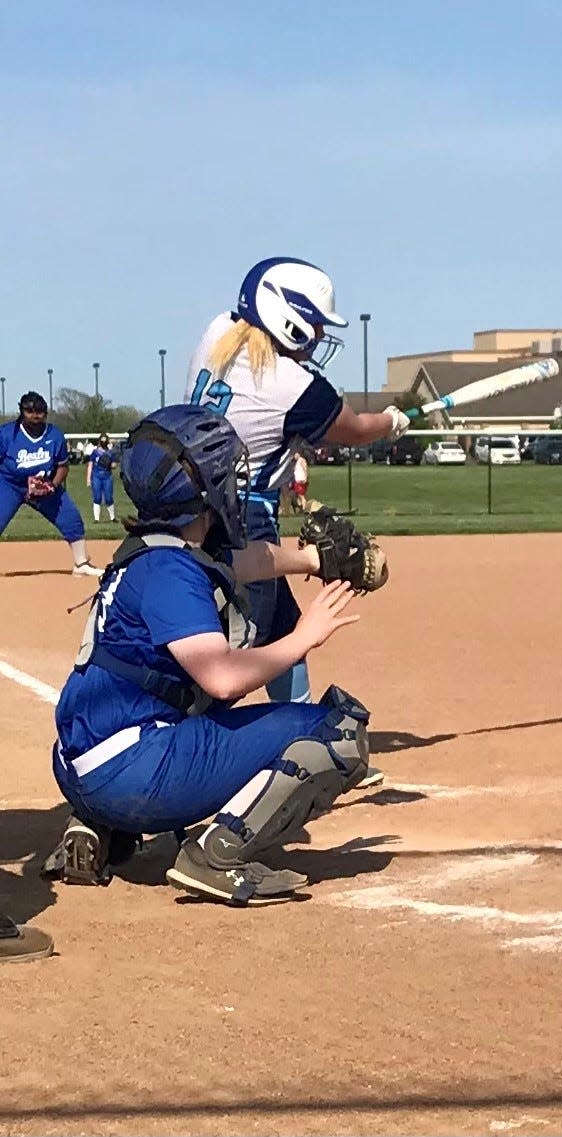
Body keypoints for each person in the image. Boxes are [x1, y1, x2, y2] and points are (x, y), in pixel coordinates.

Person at [50, 404, 371, 906]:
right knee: (337, 733)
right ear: (199, 490)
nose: (233, 483)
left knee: (185, 695)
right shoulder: (171, 573)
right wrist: (303, 636)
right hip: (130, 769)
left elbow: (237, 564)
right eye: (223, 472)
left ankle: (99, 826)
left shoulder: (150, 550)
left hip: (84, 763)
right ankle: (216, 856)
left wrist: (315, 559)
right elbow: (222, 677)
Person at [185, 258, 409, 785]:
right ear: (288, 319)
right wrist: (391, 422)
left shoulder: (219, 330)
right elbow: (351, 429)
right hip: (244, 518)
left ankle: (306, 736)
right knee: (238, 648)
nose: (319, 337)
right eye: (316, 325)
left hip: (196, 503)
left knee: (283, 625)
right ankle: (200, 753)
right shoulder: (292, 383)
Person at [0, 392, 103, 575]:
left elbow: (63, 467)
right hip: (11, 485)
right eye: (30, 411)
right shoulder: (7, 434)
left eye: (40, 411)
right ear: (22, 411)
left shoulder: (54, 435)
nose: (35, 415)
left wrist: (52, 486)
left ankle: (81, 564)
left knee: (71, 518)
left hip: (44, 486)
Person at [86, 433, 117, 523]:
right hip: (97, 476)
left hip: (107, 475)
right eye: (102, 440)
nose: (103, 442)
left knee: (108, 498)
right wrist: (88, 479)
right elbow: (90, 465)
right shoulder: (95, 452)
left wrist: (111, 464)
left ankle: (112, 517)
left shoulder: (110, 452)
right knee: (97, 497)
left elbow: (114, 464)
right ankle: (96, 518)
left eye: (105, 440)